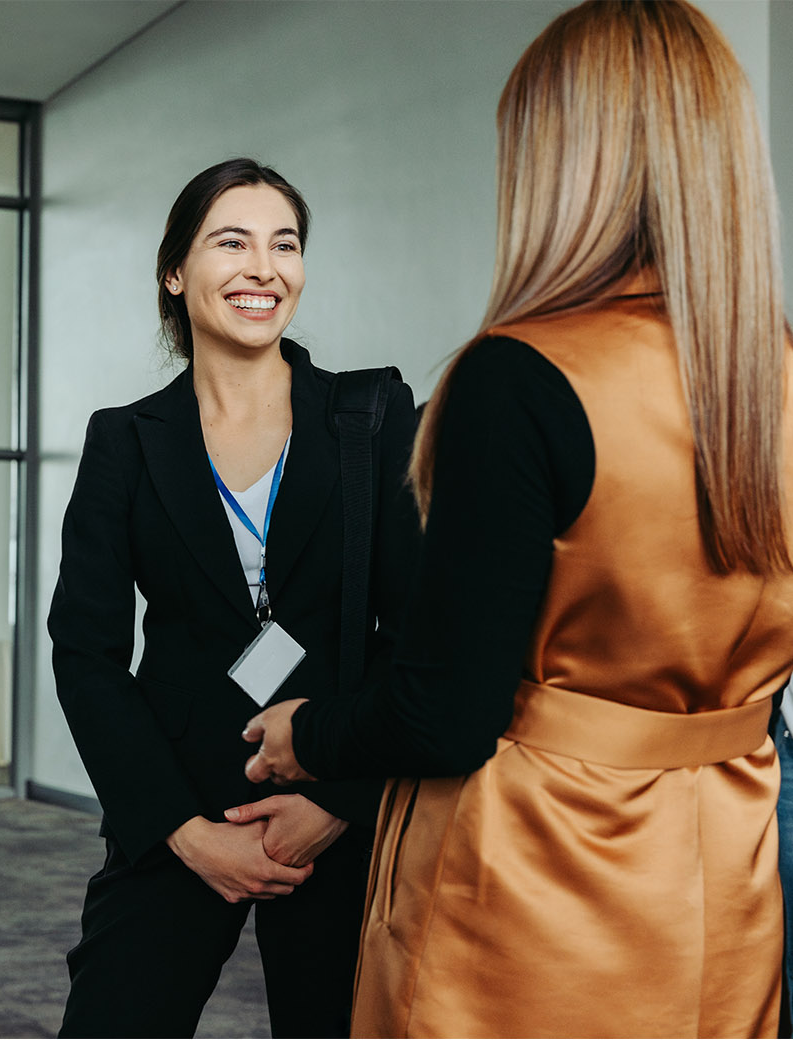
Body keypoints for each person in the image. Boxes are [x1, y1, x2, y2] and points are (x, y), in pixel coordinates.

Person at [243, 2, 793, 1036]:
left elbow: (446, 706)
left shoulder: (520, 376)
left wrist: (302, 733)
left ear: (563, 159)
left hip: (542, 873)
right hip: (731, 858)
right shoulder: (775, 375)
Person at [48, 158, 418, 1037]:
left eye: (284, 244)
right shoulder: (125, 442)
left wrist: (338, 802)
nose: (264, 267)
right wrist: (183, 831)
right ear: (176, 272)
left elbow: (418, 632)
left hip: (339, 802)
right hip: (178, 805)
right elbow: (86, 653)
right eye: (233, 242)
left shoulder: (369, 415)